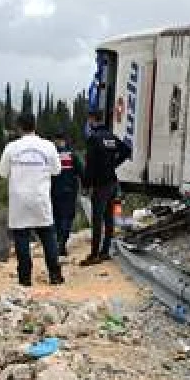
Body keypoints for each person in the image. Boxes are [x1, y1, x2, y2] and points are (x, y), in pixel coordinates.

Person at [0, 112, 65, 287]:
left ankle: (25, 279)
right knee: (48, 237)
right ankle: (55, 276)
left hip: (19, 201)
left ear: (19, 127)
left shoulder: (12, 147)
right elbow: (57, 170)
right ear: (35, 126)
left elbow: (2, 173)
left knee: (21, 239)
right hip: (40, 198)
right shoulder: (48, 146)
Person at [80, 110, 131, 266]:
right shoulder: (111, 137)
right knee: (109, 219)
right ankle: (105, 252)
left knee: (97, 219)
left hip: (100, 185)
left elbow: (89, 165)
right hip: (112, 183)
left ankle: (94, 254)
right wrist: (113, 164)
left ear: (91, 120)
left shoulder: (93, 139)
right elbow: (127, 150)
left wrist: (86, 184)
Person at [51, 133, 84, 257]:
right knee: (67, 218)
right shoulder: (72, 155)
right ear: (65, 140)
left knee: (56, 218)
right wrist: (86, 186)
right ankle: (62, 244)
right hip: (69, 192)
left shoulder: (52, 156)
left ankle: (57, 243)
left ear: (56, 141)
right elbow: (81, 172)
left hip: (54, 192)